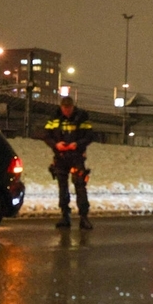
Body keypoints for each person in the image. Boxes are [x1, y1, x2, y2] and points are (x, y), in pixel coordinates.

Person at [42, 96, 94, 229]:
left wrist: (77, 144)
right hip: (60, 157)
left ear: (72, 106)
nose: (67, 111)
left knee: (80, 186)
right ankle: (65, 216)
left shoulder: (82, 116)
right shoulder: (54, 116)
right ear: (61, 107)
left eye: (69, 108)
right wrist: (56, 145)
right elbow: (46, 135)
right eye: (64, 108)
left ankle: (84, 217)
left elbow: (89, 136)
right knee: (62, 187)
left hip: (76, 156)